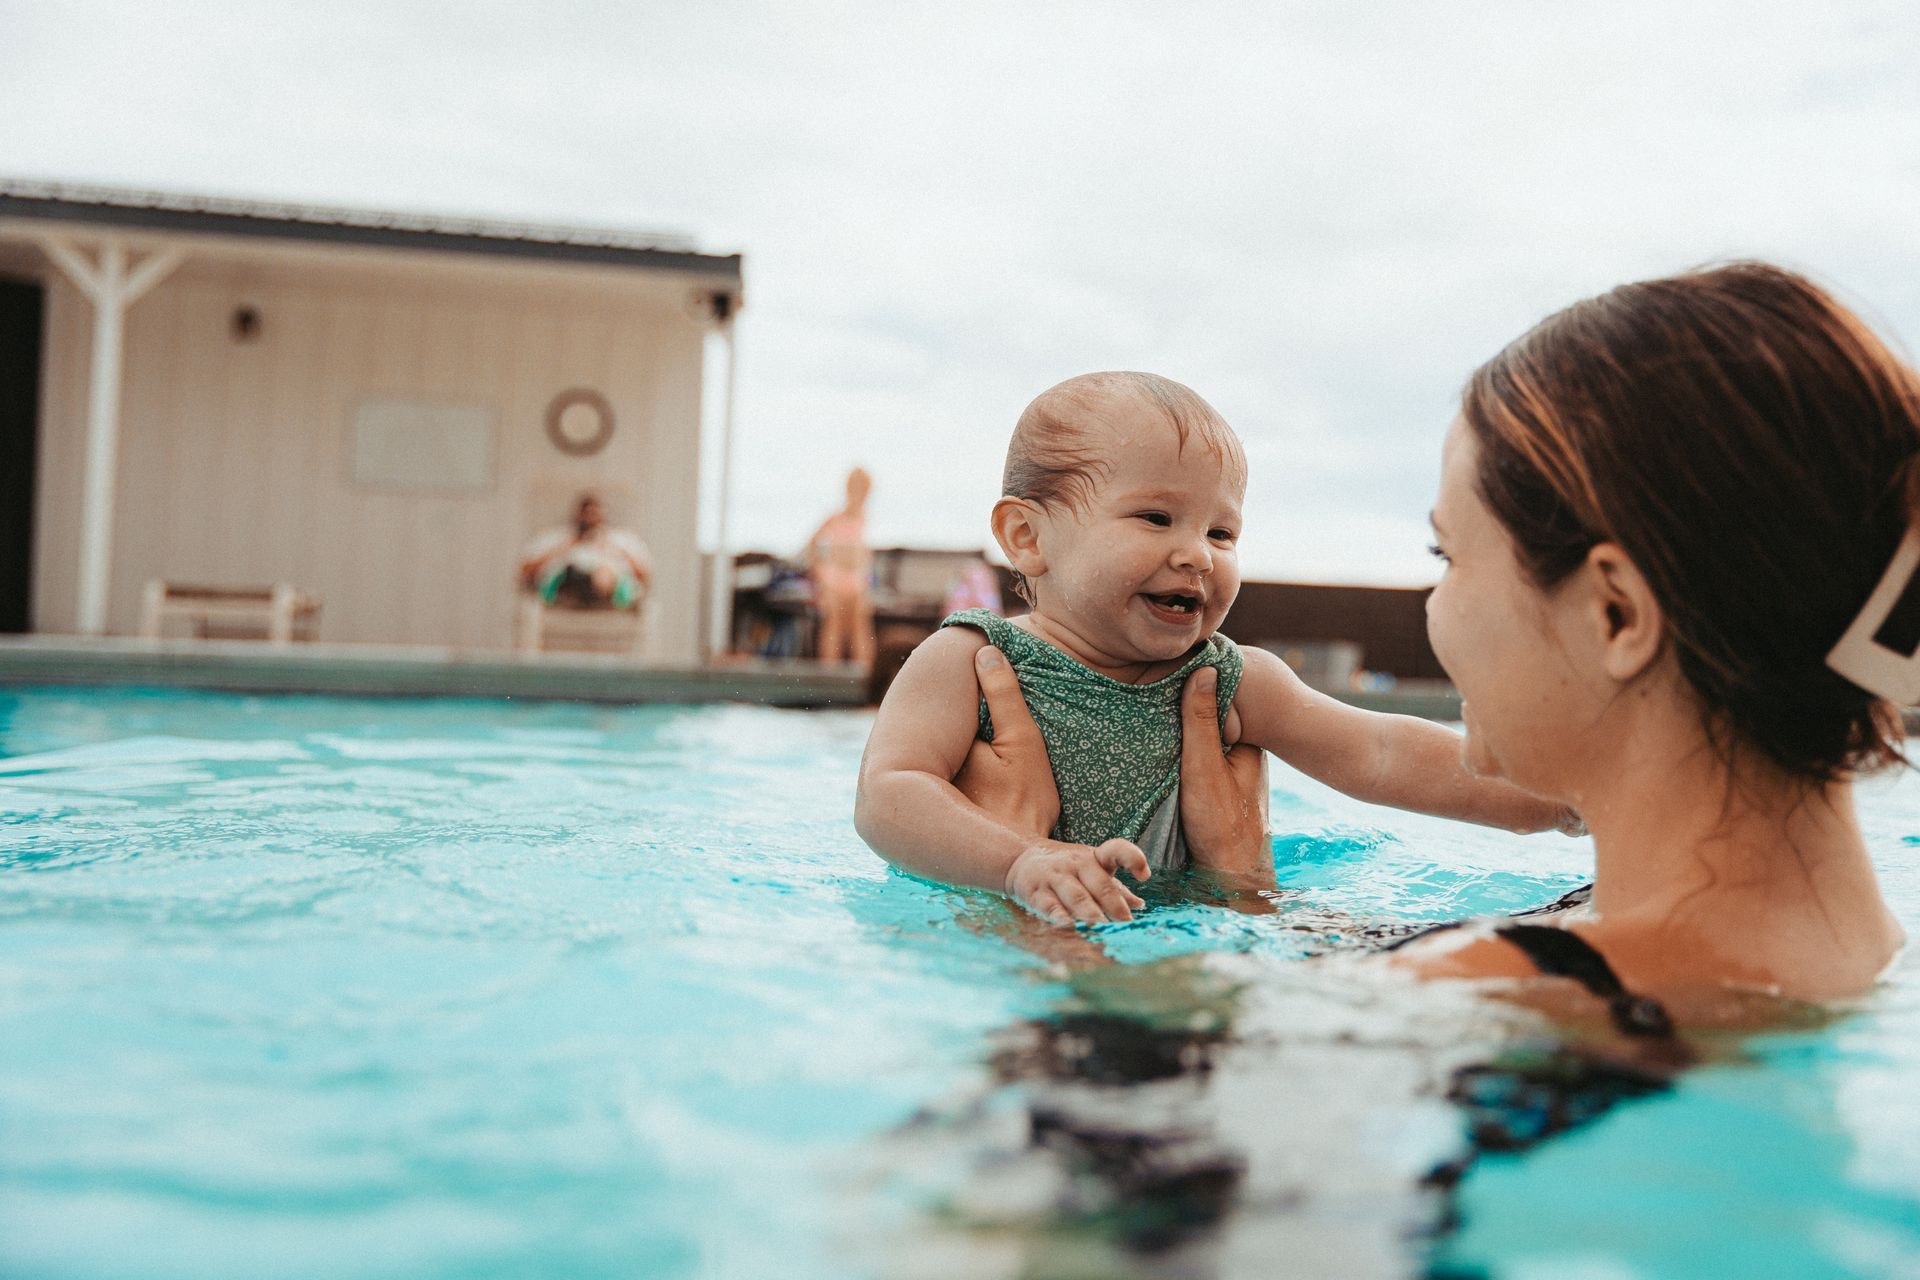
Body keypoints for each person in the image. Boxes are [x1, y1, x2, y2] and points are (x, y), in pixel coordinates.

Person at [965, 264, 1911, 1024]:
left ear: (1616, 615)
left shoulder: (1486, 993)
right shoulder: (1849, 945)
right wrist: (1241, 896)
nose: (1436, 606)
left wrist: (1024, 914)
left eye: (1449, 554)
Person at [855, 372, 1571, 928]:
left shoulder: (1229, 679)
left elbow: (1379, 754)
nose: (1198, 554)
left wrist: (1560, 793)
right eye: (1157, 517)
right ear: (1026, 537)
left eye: (1222, 533)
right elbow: (889, 796)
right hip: (993, 927)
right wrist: (1019, 863)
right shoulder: (972, 659)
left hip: (1180, 930)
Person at [519, 493, 652, 610]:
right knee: (572, 573)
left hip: (608, 582)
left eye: (594, 513)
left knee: (603, 573)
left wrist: (613, 549)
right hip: (566, 579)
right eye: (586, 513)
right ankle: (577, 590)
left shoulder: (620, 539)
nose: (590, 518)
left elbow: (645, 575)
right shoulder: (558, 537)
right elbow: (525, 569)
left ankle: (592, 592)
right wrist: (562, 549)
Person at [806, 467, 876, 667]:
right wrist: (820, 571)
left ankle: (866, 676)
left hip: (857, 579)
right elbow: (812, 544)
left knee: (860, 627)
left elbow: (864, 554)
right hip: (834, 578)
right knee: (834, 624)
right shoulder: (835, 517)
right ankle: (829, 675)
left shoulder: (863, 518)